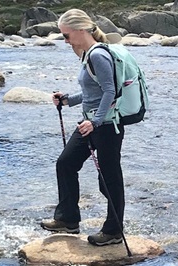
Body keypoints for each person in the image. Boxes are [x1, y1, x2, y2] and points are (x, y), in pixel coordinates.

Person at [40, 8, 126, 246]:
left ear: (79, 30)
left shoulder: (98, 55)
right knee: (66, 163)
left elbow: (111, 91)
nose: (65, 41)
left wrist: (96, 121)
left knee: (108, 179)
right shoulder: (87, 55)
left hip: (106, 125)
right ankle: (68, 219)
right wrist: (67, 99)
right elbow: (92, 93)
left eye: (66, 36)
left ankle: (114, 232)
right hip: (90, 123)